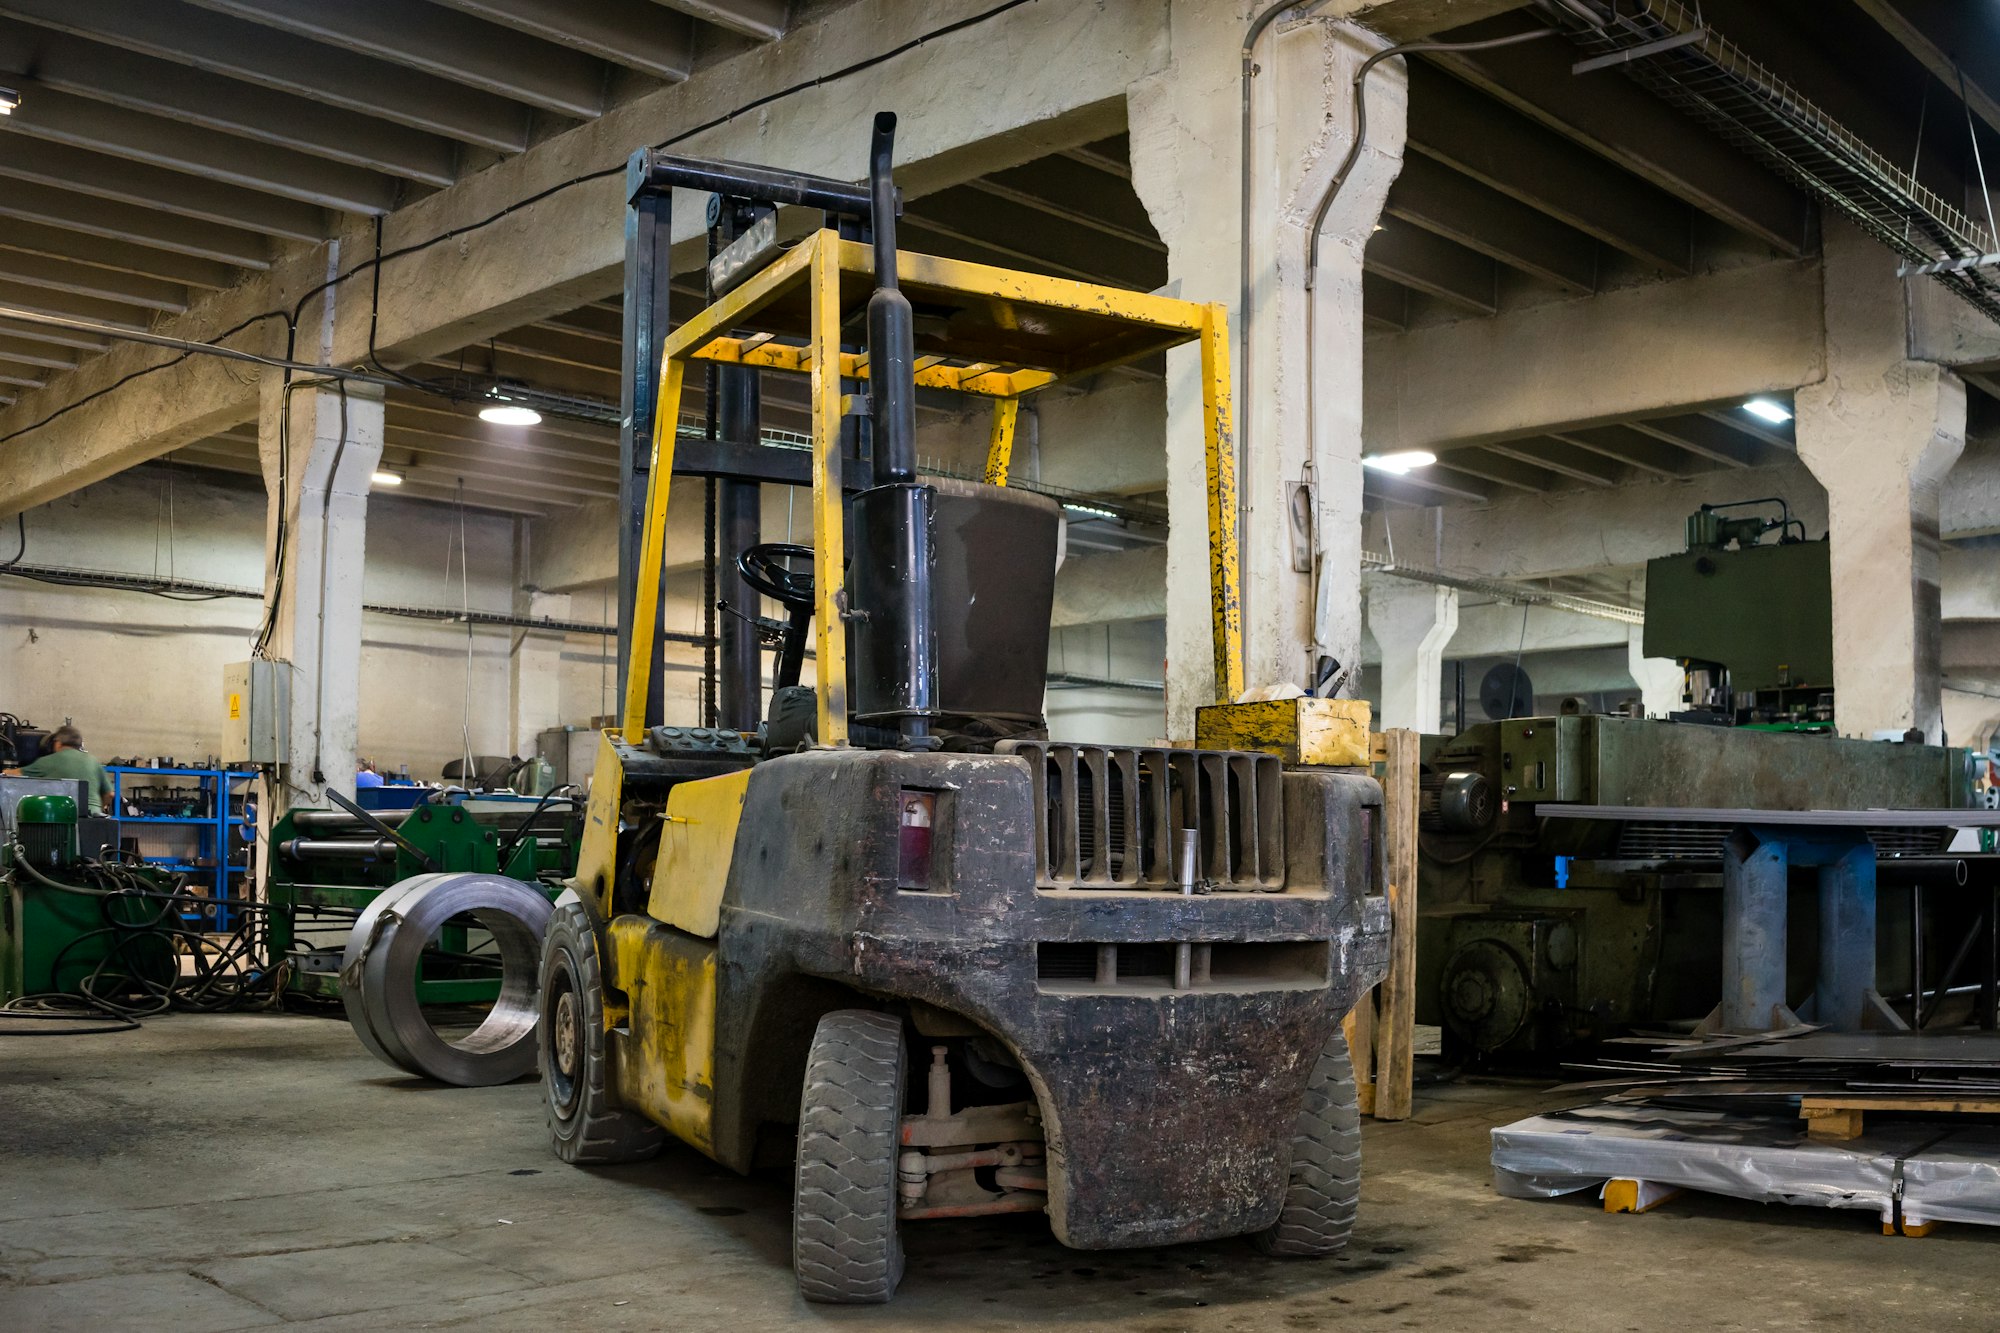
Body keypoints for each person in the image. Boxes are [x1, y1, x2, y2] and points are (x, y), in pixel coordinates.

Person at [3, 724, 115, 814]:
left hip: (62, 816)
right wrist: (96, 808)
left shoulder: (47, 761)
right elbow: (110, 794)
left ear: (57, 743)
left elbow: (11, 775)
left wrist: (5, 770)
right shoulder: (93, 761)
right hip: (93, 816)